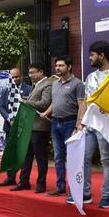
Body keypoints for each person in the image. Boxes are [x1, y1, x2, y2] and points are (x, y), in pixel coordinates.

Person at [76, 43, 109, 208]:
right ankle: (85, 193)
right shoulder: (90, 77)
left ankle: (107, 196)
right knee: (84, 159)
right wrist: (80, 122)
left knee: (106, 160)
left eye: (92, 55)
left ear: (102, 55)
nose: (90, 58)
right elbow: (85, 101)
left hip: (106, 125)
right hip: (90, 125)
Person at [41, 56, 84, 197]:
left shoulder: (78, 84)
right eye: (57, 66)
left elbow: (82, 105)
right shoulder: (55, 84)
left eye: (61, 65)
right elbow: (55, 102)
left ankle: (74, 189)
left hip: (70, 123)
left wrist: (79, 124)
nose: (58, 68)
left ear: (69, 67)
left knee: (72, 158)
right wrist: (46, 112)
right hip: (55, 123)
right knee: (58, 157)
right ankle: (60, 186)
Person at [10, 63, 53, 193]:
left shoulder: (48, 84)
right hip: (29, 125)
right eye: (29, 72)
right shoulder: (36, 85)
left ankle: (41, 184)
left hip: (40, 127)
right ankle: (24, 182)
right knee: (26, 156)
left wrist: (25, 102)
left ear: (41, 72)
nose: (31, 75)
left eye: (33, 72)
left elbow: (45, 103)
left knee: (40, 157)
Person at [0, 67, 32, 186]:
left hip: (23, 127)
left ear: (21, 76)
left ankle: (24, 180)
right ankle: (10, 178)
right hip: (9, 126)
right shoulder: (5, 90)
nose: (15, 79)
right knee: (10, 152)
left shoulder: (29, 89)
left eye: (17, 76)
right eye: (12, 77)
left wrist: (19, 120)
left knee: (24, 153)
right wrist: (9, 118)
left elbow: (30, 107)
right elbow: (1, 106)